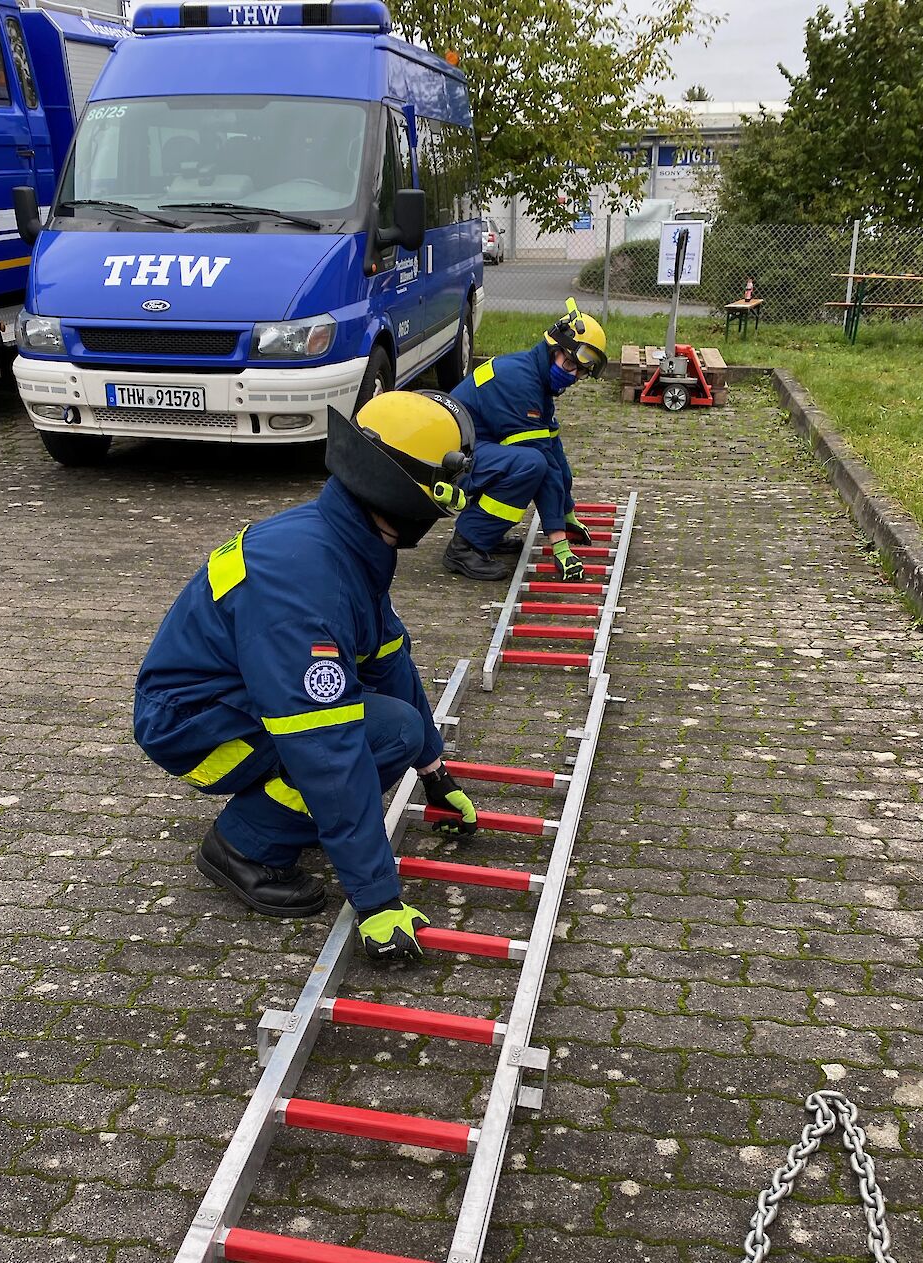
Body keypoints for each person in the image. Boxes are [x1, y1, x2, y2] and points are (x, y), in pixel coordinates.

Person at [133, 390, 482, 962]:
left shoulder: (345, 540)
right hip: (189, 727)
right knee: (382, 733)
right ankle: (242, 847)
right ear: (409, 493)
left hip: (226, 698)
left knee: (400, 731)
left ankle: (280, 812)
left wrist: (435, 769)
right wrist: (378, 902)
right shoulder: (306, 583)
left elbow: (389, 657)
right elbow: (326, 748)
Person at [443, 298, 608, 582]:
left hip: (472, 449)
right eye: (569, 364)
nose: (572, 375)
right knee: (529, 465)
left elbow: (555, 453)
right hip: (449, 459)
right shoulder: (521, 383)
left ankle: (486, 532)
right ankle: (465, 545)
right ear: (553, 348)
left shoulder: (537, 379)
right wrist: (559, 542)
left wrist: (567, 512)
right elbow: (542, 464)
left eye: (580, 372)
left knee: (535, 459)